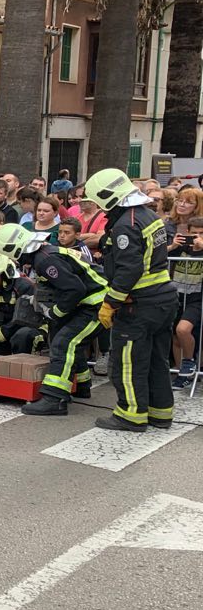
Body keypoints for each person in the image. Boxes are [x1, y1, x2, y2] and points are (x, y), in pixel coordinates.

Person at [85, 168, 178, 431]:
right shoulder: (148, 215)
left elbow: (129, 270)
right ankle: (160, 413)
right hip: (162, 299)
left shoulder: (127, 223)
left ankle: (131, 415)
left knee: (129, 362)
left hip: (138, 304)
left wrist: (110, 303)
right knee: (157, 360)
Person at [0, 222, 108, 417]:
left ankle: (54, 398)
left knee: (65, 343)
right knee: (66, 340)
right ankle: (82, 386)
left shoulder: (44, 260)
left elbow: (75, 289)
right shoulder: (45, 253)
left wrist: (55, 313)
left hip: (96, 304)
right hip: (88, 302)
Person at [171, 215, 203, 388]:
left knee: (183, 330)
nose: (197, 237)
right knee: (175, 337)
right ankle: (182, 374)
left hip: (196, 297)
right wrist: (172, 245)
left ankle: (189, 361)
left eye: (201, 233)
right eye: (194, 233)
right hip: (176, 295)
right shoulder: (182, 247)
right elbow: (159, 255)